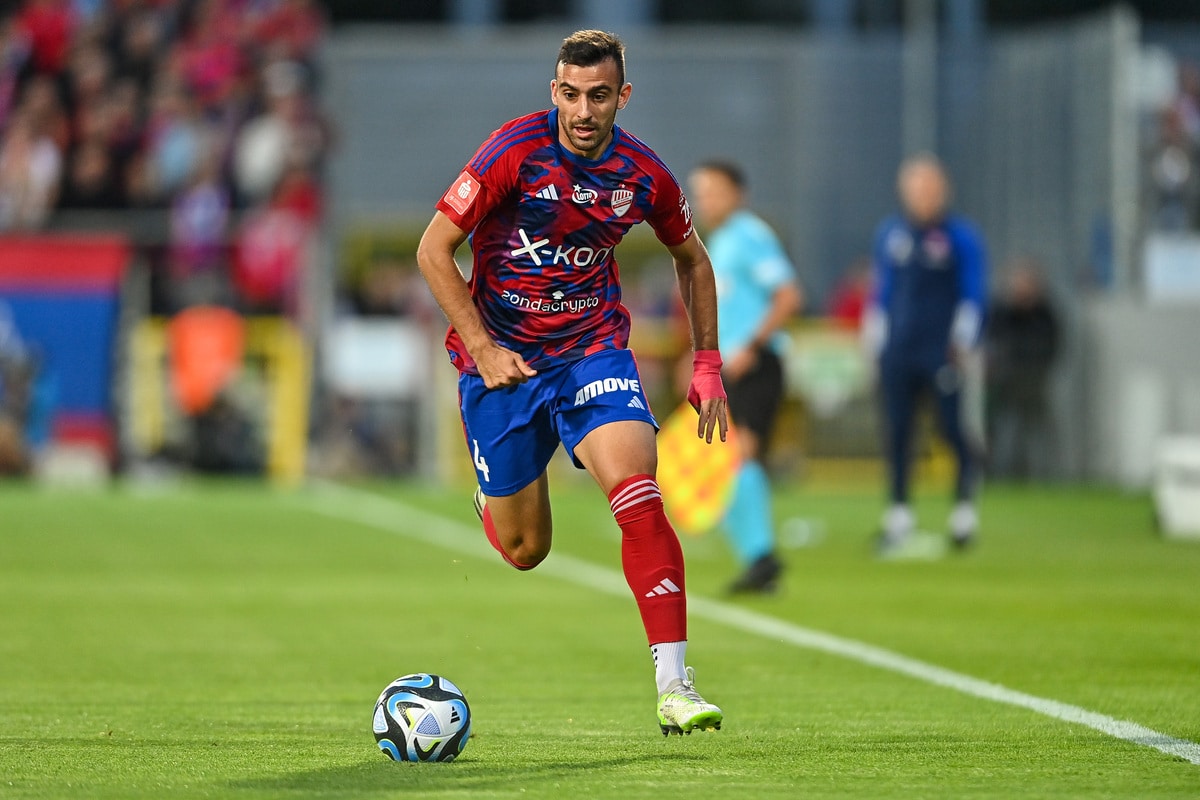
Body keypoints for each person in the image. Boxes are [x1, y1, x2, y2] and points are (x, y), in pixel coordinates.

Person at [416, 30, 728, 737]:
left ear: (623, 96)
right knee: (526, 550)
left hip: (592, 351)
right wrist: (483, 348)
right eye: (571, 94)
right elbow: (434, 249)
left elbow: (692, 260)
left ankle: (675, 686)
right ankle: (493, 497)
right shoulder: (512, 152)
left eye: (599, 96)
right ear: (554, 91)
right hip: (504, 364)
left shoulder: (643, 174)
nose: (583, 111)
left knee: (638, 492)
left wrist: (707, 364)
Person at [687, 160, 802, 593]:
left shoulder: (750, 235)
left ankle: (762, 558)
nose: (706, 201)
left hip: (755, 364)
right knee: (728, 461)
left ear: (738, 194)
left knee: (744, 456)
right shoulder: (718, 241)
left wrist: (751, 346)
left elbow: (788, 296)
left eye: (714, 191)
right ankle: (758, 558)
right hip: (729, 368)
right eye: (701, 192)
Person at [863, 154, 988, 550]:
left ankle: (964, 509)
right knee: (898, 430)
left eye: (929, 188)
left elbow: (974, 292)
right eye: (915, 188)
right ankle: (899, 512)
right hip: (898, 350)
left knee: (951, 429)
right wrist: (873, 335)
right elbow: (882, 290)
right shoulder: (891, 233)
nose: (922, 196)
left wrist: (963, 340)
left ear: (943, 190)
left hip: (941, 351)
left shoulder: (960, 237)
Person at [986, 258, 1060, 481]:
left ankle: (1040, 476)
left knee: (1035, 432)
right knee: (1000, 430)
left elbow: (1053, 346)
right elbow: (993, 341)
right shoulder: (1002, 312)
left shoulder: (1045, 314)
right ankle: (996, 474)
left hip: (1033, 382)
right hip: (1004, 382)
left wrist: (1039, 370)